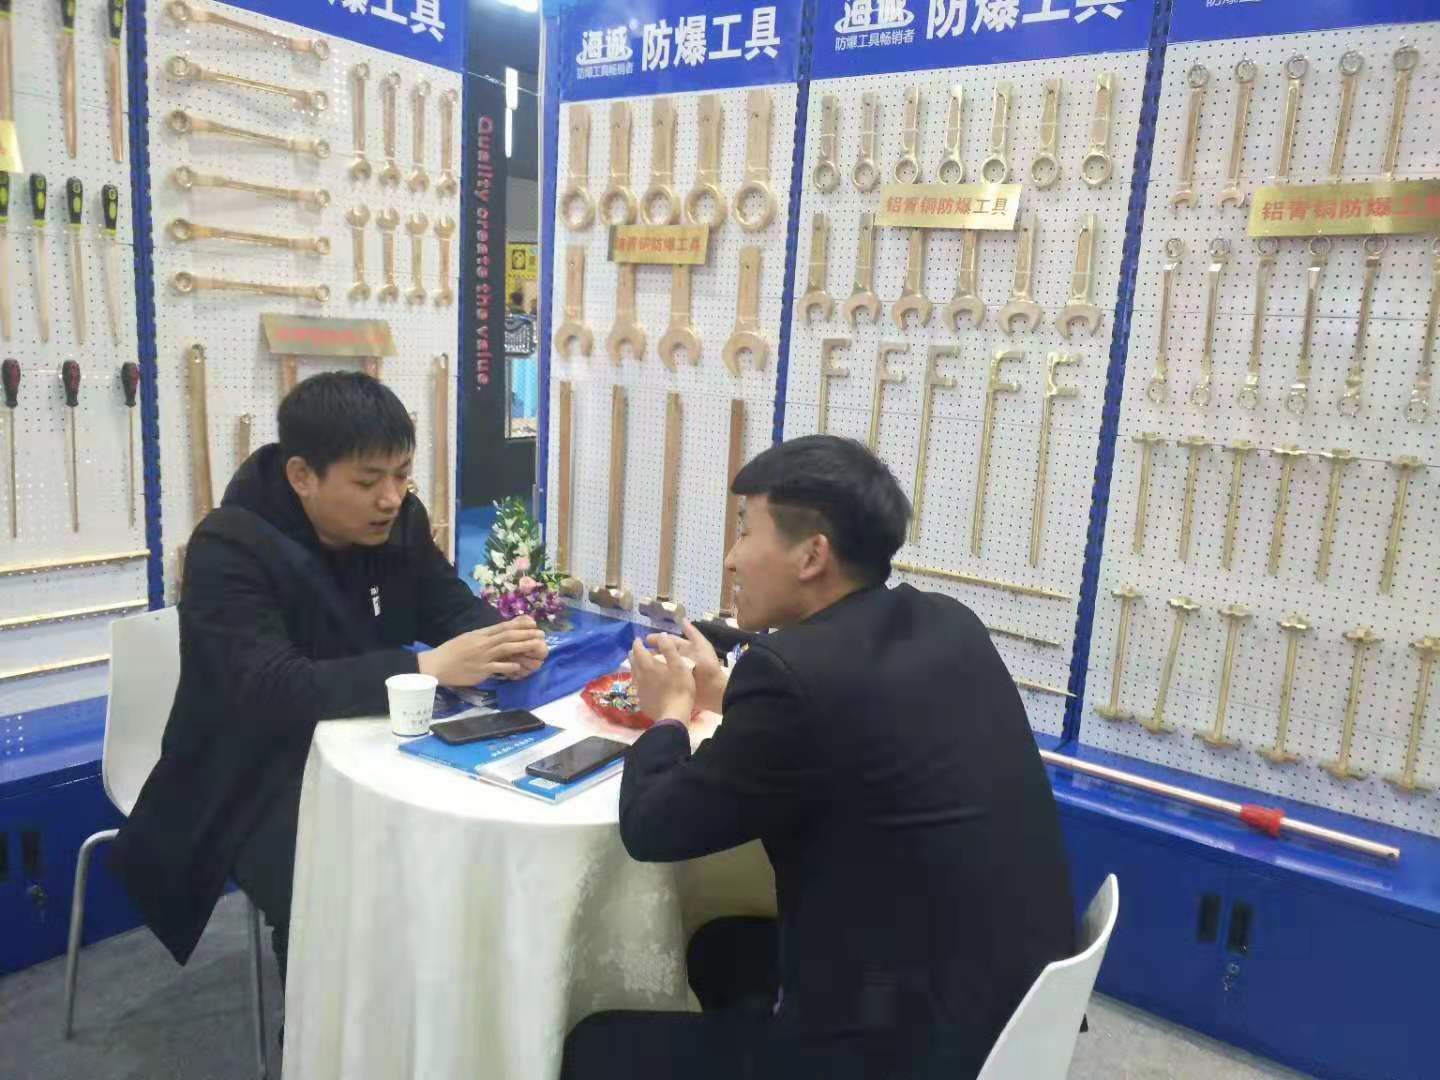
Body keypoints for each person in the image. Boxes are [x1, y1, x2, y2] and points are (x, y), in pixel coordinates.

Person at [561, 435, 1075, 1080]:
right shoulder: (948, 621)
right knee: (720, 948)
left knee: (594, 1048)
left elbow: (652, 828)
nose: (731, 558)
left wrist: (667, 712)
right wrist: (724, 696)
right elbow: (849, 730)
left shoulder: (791, 673)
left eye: (745, 530)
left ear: (812, 555)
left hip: (909, 1048)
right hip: (1011, 1004)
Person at [111, 372, 549, 982]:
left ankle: (436, 1007)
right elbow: (272, 688)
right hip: (250, 770)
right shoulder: (228, 549)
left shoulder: (399, 519)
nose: (390, 498)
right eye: (368, 482)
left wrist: (499, 641)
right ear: (302, 476)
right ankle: (319, 1028)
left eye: (402, 475)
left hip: (371, 739)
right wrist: (424, 668)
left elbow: (443, 601)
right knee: (337, 889)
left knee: (463, 842)